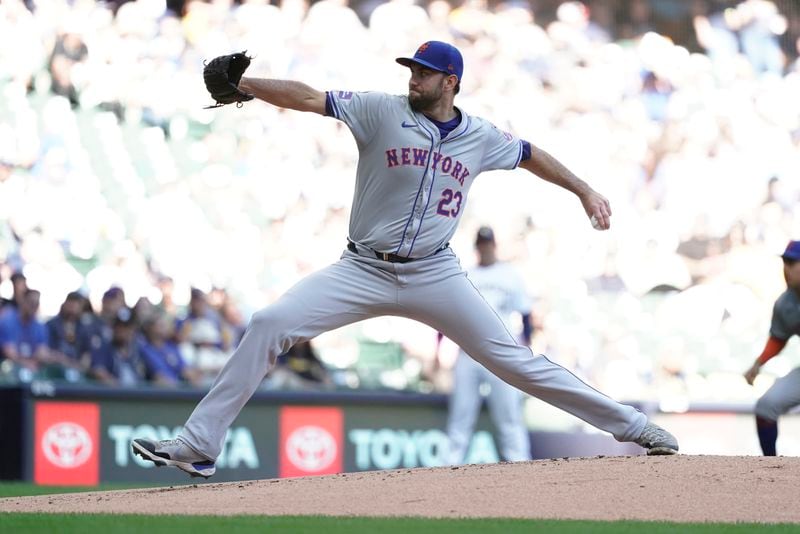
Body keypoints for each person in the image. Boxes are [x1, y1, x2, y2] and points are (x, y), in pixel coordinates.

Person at [132, 40, 678, 479]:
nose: (412, 80)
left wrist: (583, 189)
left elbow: (530, 154)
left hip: (434, 272)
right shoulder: (379, 110)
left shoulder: (480, 137)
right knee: (270, 322)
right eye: (411, 71)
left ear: (451, 82)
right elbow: (308, 97)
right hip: (362, 268)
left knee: (514, 361)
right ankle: (199, 444)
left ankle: (634, 427)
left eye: (422, 73)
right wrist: (245, 84)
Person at [444, 226, 533, 464]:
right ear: (477, 248)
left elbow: (525, 315)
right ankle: (450, 465)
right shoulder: (465, 275)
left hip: (502, 352)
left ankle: (520, 463)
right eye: (481, 245)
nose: (485, 248)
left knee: (509, 415)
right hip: (468, 353)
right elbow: (448, 315)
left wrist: (527, 349)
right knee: (460, 415)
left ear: (494, 245)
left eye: (488, 244)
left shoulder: (509, 274)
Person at [743, 240, 800, 456]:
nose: (786, 269)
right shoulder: (785, 303)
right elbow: (778, 338)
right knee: (766, 406)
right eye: (785, 262)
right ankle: (770, 468)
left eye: (793, 262)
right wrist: (757, 365)